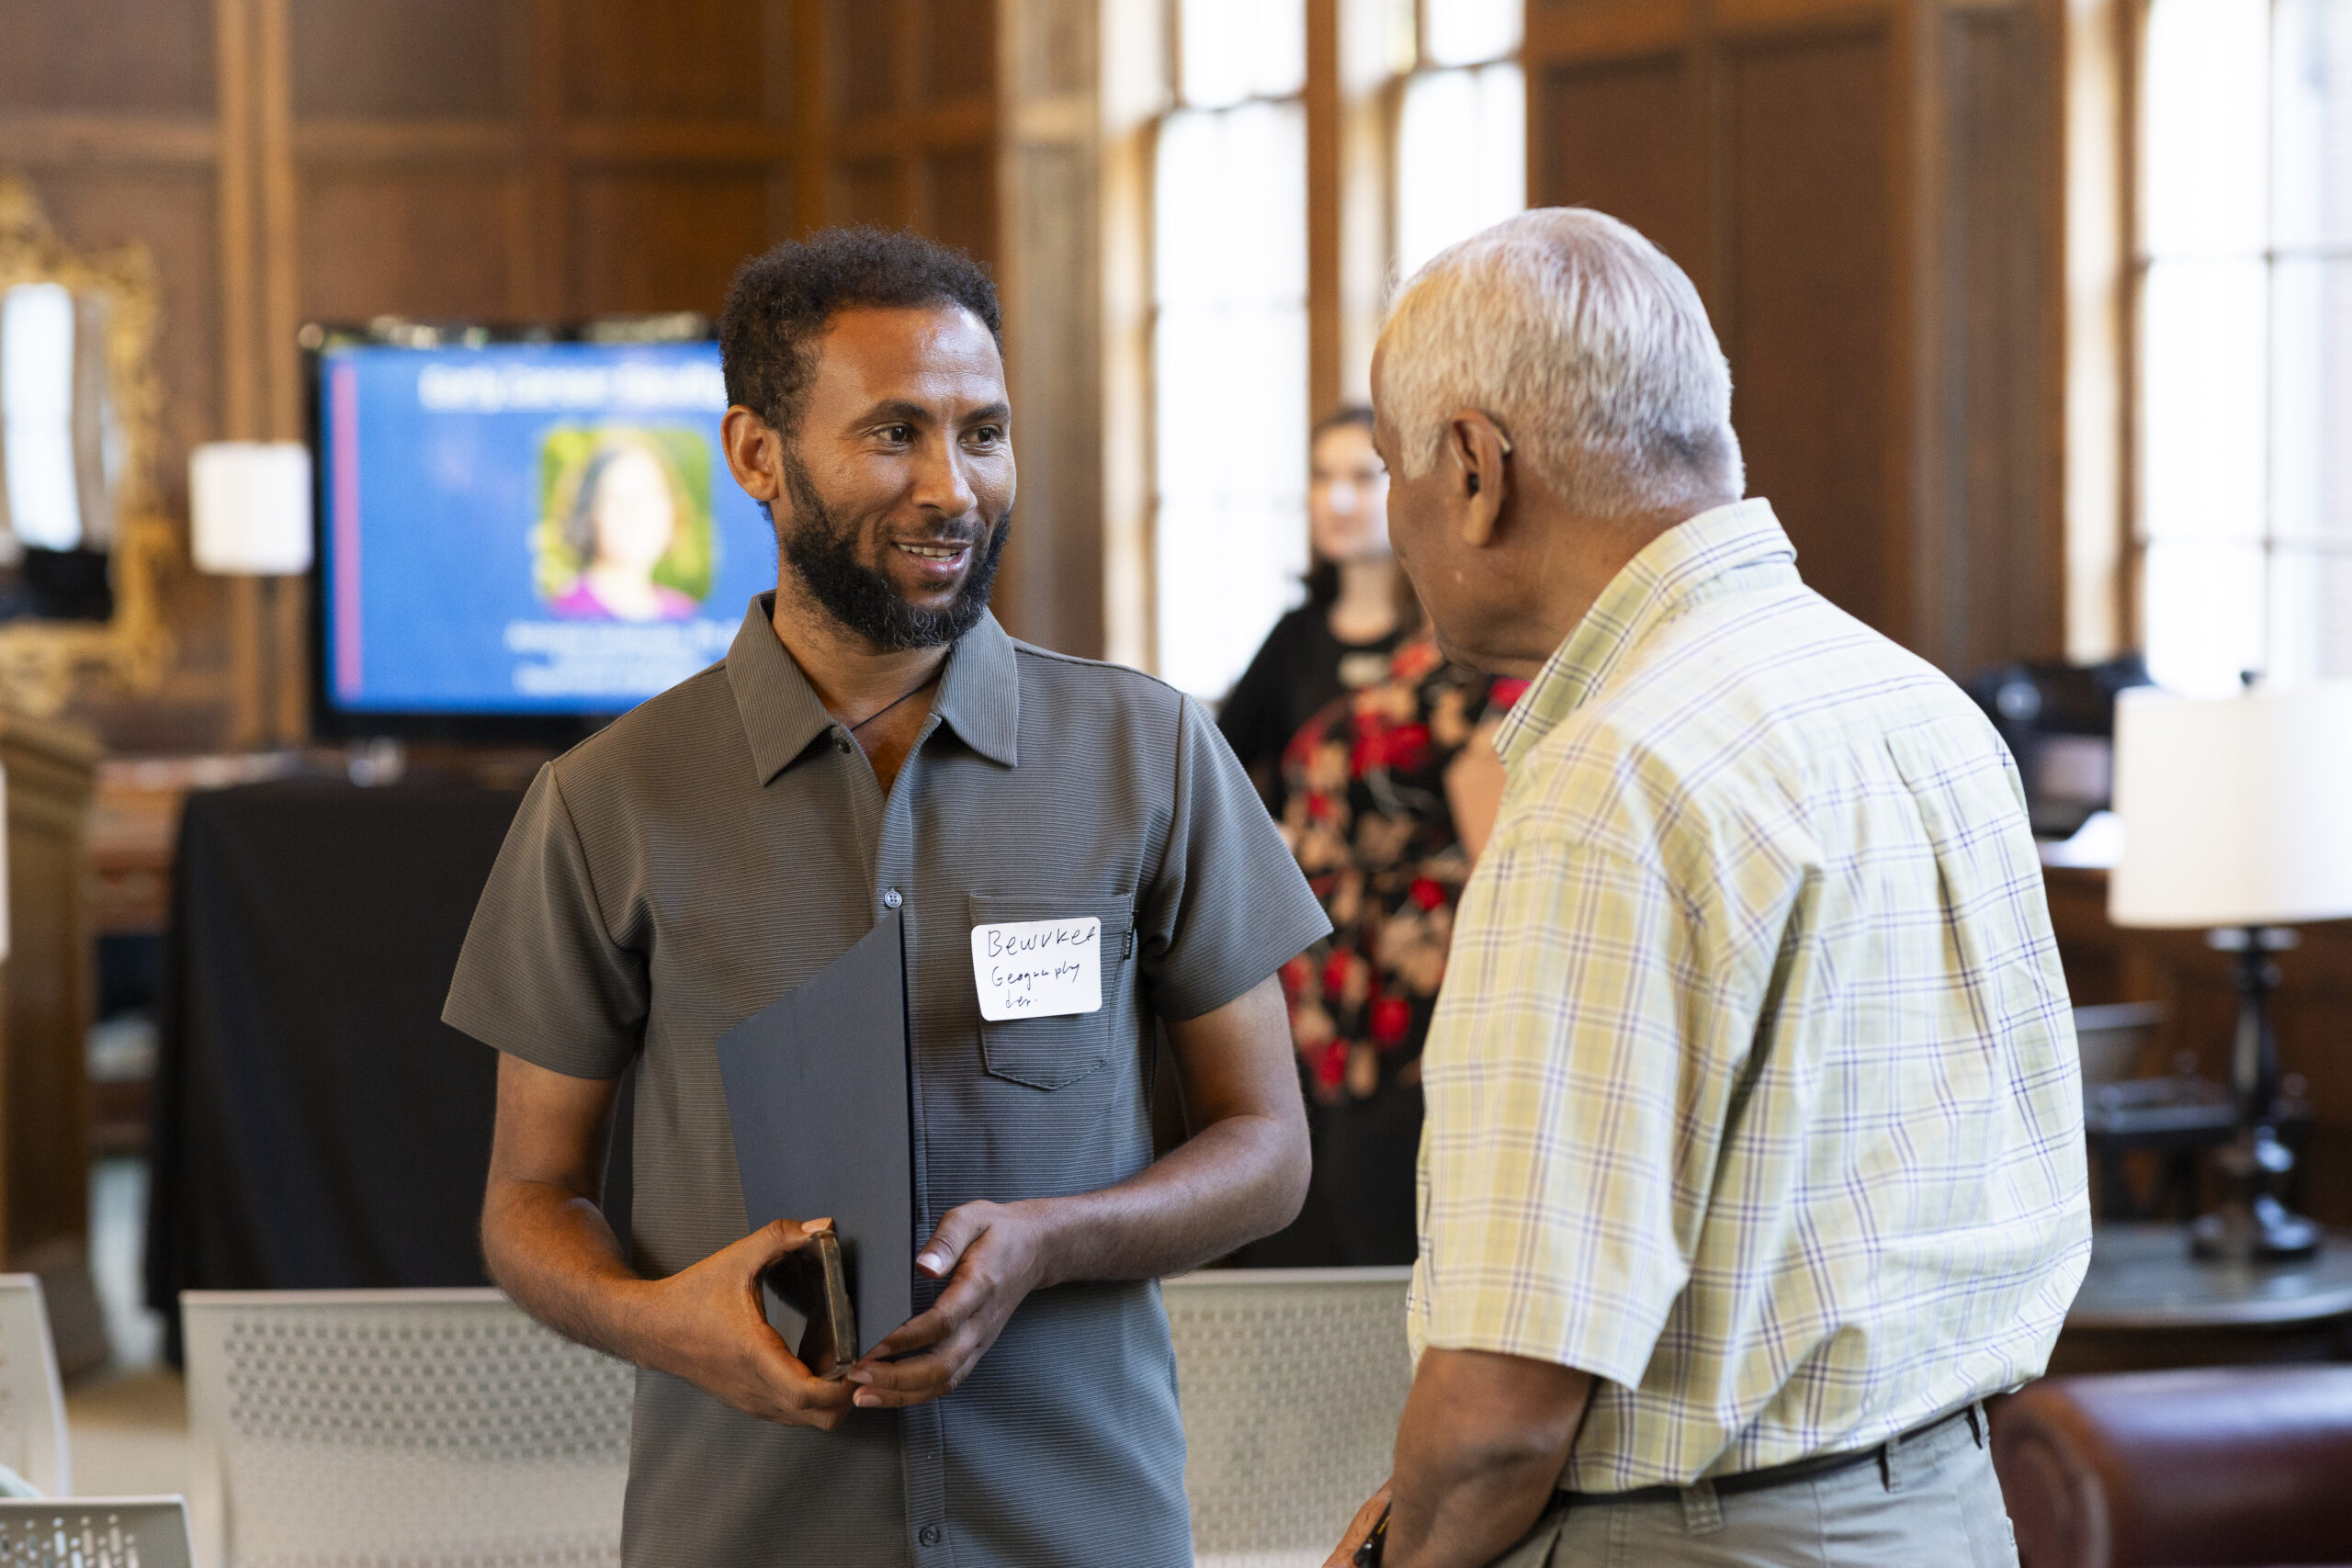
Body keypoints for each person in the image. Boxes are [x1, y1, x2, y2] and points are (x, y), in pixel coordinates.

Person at [447, 227, 1329, 1567]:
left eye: (984, 432)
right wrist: (662, 1314)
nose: (953, 486)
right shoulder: (602, 799)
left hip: (1079, 1528)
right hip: (744, 1531)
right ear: (757, 457)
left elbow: (1268, 1144)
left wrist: (1052, 1239)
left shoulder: (1153, 752)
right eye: (895, 434)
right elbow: (529, 1199)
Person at [1327, 209, 2088, 1568]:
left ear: (1475, 465)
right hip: (1953, 1511)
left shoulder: (1609, 777)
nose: (1395, 516)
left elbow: (1504, 1402)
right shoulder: (1917, 705)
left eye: (1393, 467)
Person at [1243, 640, 1522, 1266]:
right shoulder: (1420, 662)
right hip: (1348, 997)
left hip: (1423, 1003)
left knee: (1389, 1230)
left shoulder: (1503, 689)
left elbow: (1502, 875)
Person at [1218, 407, 1413, 813]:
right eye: (1322, 477)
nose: (1336, 500)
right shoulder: (1293, 637)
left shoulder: (1438, 640)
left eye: (1362, 479)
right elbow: (1217, 765)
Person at [549, 434, 701, 621]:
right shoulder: (562, 612)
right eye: (615, 498)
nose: (634, 512)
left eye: (648, 496)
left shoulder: (685, 614)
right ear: (589, 513)